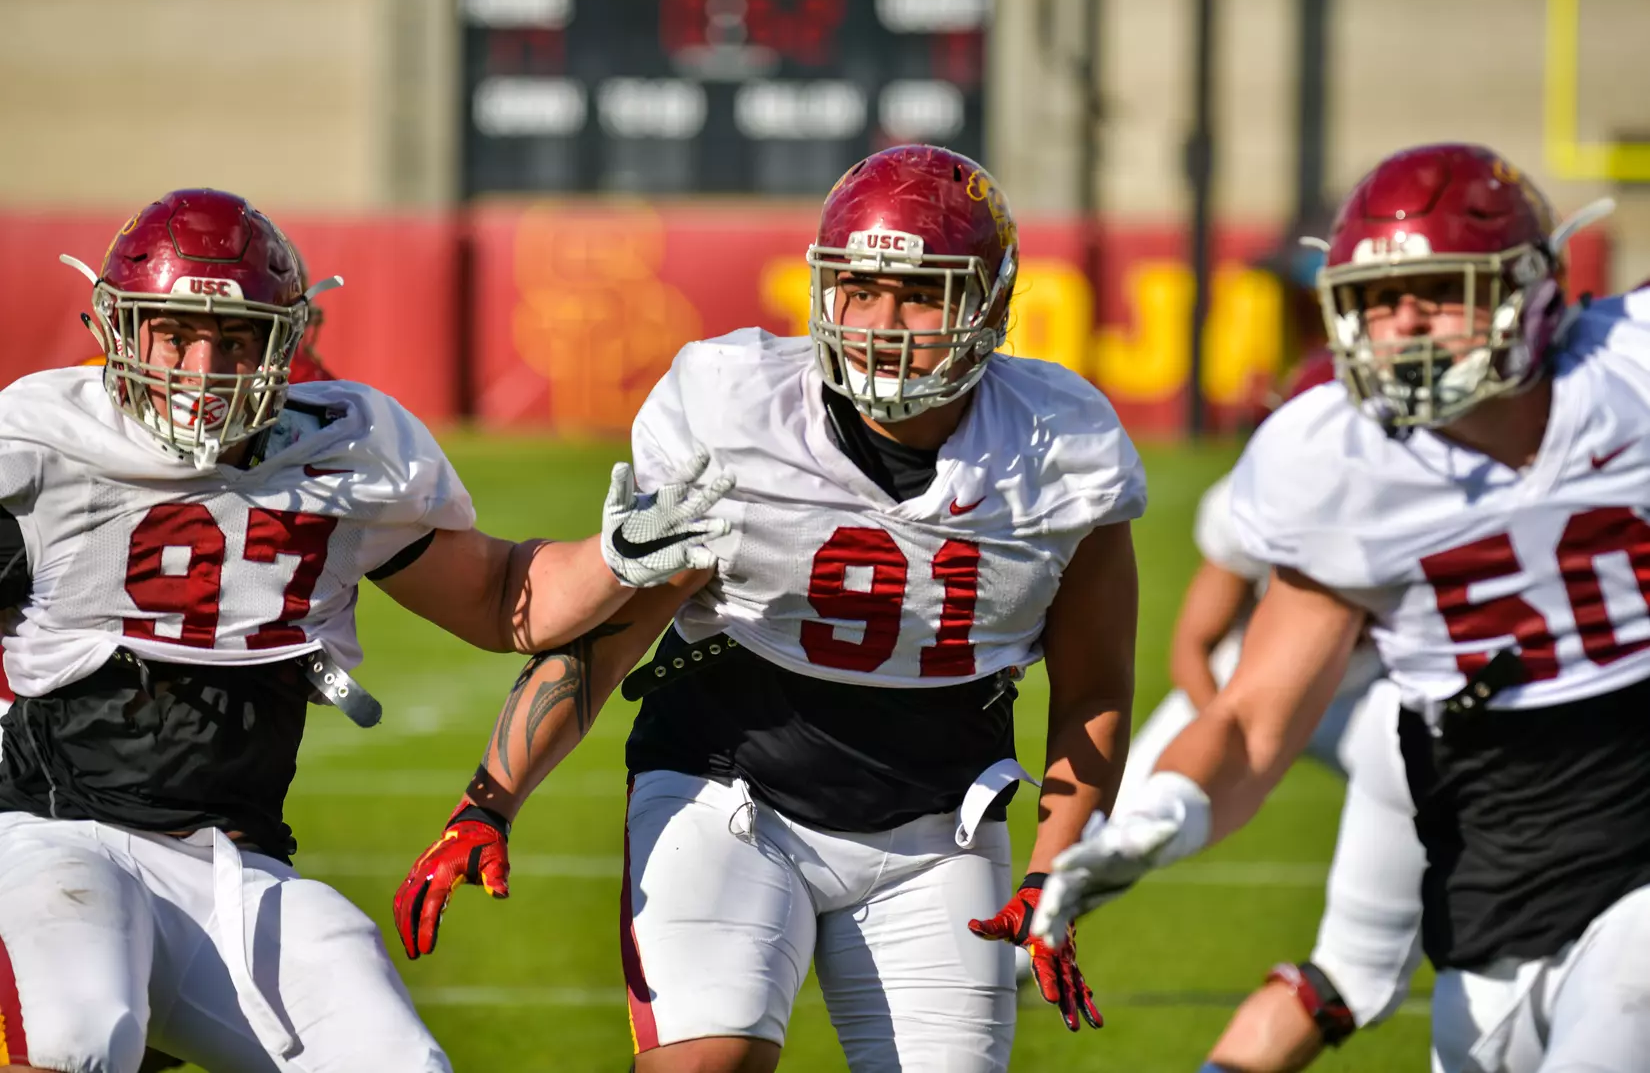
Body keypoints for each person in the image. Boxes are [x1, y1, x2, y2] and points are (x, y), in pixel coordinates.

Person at [394, 143, 1147, 1073]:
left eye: (921, 294)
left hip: (938, 831)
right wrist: (487, 804)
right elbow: (610, 635)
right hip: (731, 791)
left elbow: (1094, 689)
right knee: (709, 1063)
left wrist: (1052, 870)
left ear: (986, 306)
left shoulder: (1061, 448)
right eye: (859, 289)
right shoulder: (735, 411)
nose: (883, 323)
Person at [0, 187, 731, 1073]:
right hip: (52, 829)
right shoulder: (40, 444)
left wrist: (613, 558)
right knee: (79, 1031)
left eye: (233, 340)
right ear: (122, 329)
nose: (202, 366)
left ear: (283, 343)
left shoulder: (343, 452)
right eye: (176, 333)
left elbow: (501, 597)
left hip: (235, 864)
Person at [1031, 143, 1645, 1073]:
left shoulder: (1630, 371)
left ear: (1529, 288)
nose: (1404, 326)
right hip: (1493, 836)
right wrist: (1166, 812)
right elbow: (1253, 718)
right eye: (1377, 301)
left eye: (1438, 291)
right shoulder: (1333, 459)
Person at [1111, 348, 1428, 1071]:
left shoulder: (1443, 496)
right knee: (1124, 824)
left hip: (1379, 694)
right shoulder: (1252, 500)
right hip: (1258, 677)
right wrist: (1234, 737)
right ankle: (1033, 947)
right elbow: (1196, 642)